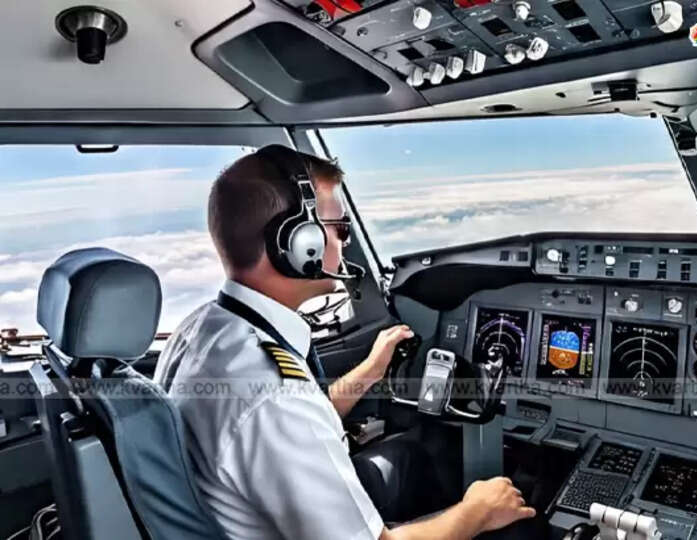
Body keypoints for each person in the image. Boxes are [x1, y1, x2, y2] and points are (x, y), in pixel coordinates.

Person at [153, 146, 535, 539]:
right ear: (300, 244)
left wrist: (370, 371)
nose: (345, 242)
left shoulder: (203, 328)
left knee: (412, 456)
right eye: (339, 228)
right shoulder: (275, 399)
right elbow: (281, 418)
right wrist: (477, 511)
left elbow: (289, 427)